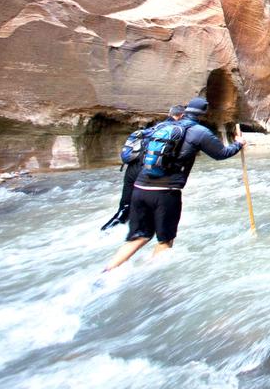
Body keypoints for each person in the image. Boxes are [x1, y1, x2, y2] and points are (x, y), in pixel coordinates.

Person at [103, 97, 245, 271]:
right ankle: (152, 278)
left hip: (139, 188)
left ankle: (107, 271)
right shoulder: (199, 132)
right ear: (202, 113)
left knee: (139, 236)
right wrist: (238, 144)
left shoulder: (161, 127)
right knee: (165, 240)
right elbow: (221, 153)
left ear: (185, 111)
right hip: (166, 192)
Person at [100, 105, 185, 231]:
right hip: (146, 170)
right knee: (145, 208)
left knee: (125, 206)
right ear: (182, 116)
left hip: (131, 168)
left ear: (169, 113)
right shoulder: (176, 130)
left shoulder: (155, 127)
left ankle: (106, 232)